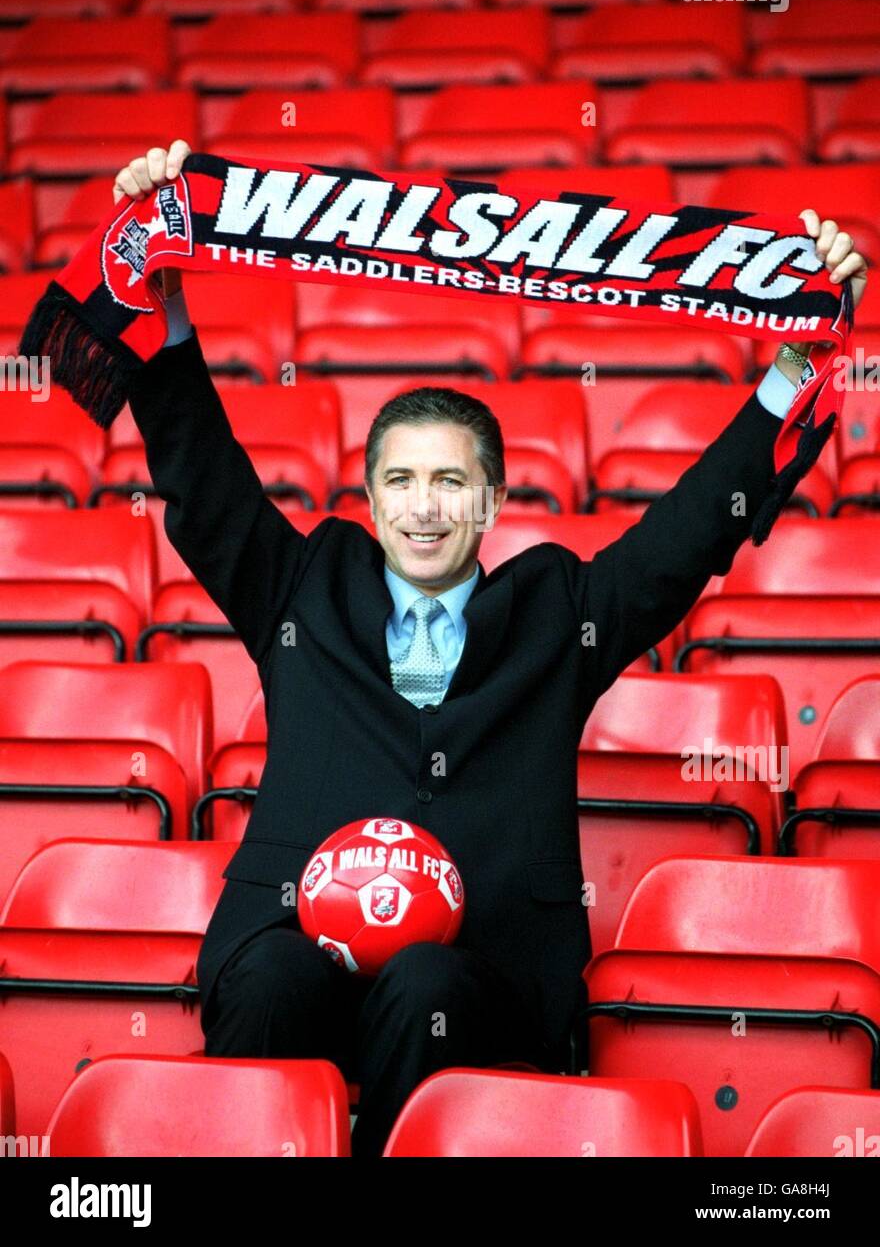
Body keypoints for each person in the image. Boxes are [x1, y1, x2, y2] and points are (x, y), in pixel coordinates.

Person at [116, 140, 868, 1157]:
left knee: (427, 983)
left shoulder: (556, 610)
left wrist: (793, 362)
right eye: (401, 481)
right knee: (276, 976)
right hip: (293, 940)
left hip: (486, 967)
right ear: (370, 500)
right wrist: (152, 281)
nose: (425, 506)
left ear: (493, 500)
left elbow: (690, 533)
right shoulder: (303, 585)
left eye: (451, 482)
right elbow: (203, 479)